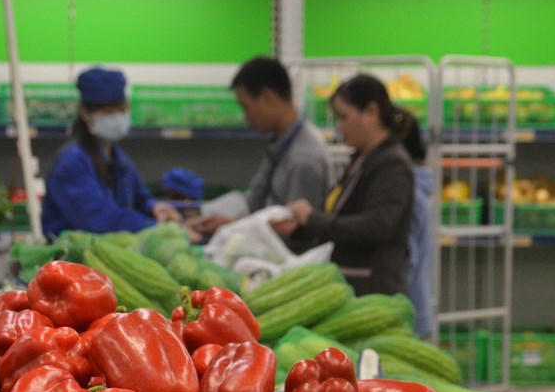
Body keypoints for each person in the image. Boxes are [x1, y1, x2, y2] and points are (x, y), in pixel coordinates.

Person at [273, 74, 416, 296]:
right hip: (350, 285)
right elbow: (342, 214)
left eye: (343, 117)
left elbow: (377, 226)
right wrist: (300, 227)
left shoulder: (392, 164)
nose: (339, 127)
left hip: (372, 291)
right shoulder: (362, 159)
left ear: (371, 112)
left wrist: (312, 219)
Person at [187, 57, 331, 238]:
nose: (246, 117)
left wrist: (234, 227)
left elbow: (292, 231)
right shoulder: (281, 143)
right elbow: (255, 198)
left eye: (246, 107)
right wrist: (202, 214)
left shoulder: (304, 159)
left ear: (267, 98)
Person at [41, 66, 182, 237]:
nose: (116, 118)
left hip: (110, 246)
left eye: (121, 110)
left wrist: (154, 208)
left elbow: (139, 198)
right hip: (72, 251)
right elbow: (98, 219)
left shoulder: (118, 158)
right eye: (107, 112)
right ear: (85, 114)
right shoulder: (71, 162)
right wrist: (154, 227)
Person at [405, 132, 437, 337]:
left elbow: (407, 261)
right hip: (418, 309)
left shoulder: (410, 197)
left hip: (409, 315)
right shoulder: (418, 190)